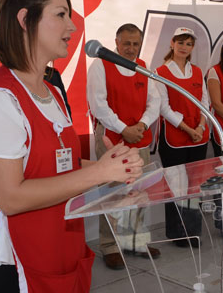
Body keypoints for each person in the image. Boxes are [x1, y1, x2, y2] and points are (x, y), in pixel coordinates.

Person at [0, 0, 143, 292]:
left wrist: (112, 167)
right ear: (24, 19)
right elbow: (11, 197)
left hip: (61, 247)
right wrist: (99, 172)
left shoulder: (50, 92)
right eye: (61, 14)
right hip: (19, 259)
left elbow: (60, 166)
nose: (73, 27)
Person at [87, 23, 161, 269]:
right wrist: (123, 129)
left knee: (138, 192)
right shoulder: (100, 65)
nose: (131, 49)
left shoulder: (143, 67)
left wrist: (142, 124)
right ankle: (110, 246)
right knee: (111, 193)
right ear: (116, 42)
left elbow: (155, 100)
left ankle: (135, 241)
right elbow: (99, 105)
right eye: (126, 43)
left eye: (135, 44)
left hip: (139, 137)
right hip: (111, 138)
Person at [155, 27, 210, 247]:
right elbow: (164, 108)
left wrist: (201, 125)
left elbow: (204, 102)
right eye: (181, 42)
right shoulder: (161, 72)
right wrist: (188, 128)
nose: (184, 47)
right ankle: (178, 233)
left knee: (194, 185)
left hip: (198, 135)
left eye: (188, 44)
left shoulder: (197, 72)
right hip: (175, 138)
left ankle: (193, 230)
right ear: (172, 43)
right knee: (176, 186)